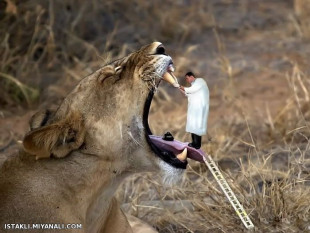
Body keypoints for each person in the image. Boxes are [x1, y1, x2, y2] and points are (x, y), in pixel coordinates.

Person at [179, 71, 209, 149]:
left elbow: (191, 90)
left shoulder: (200, 81)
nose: (187, 80)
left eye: (187, 78)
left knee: (197, 125)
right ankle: (194, 143)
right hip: (194, 108)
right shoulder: (194, 86)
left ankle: (197, 144)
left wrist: (179, 86)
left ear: (191, 77)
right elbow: (188, 94)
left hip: (199, 108)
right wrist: (179, 88)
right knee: (193, 125)